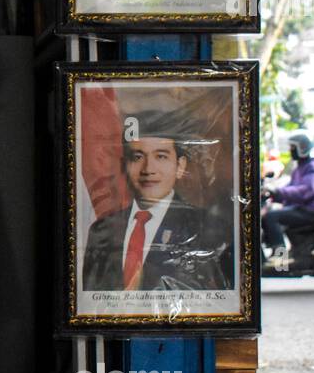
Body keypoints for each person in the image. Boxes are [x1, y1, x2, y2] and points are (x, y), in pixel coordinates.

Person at [81, 109, 231, 292]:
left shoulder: (207, 228)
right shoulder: (101, 230)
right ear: (124, 165)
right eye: (137, 157)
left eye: (161, 156)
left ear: (180, 166)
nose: (148, 169)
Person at [263, 130, 314, 259]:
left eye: (293, 148)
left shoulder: (312, 167)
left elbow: (306, 190)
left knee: (271, 217)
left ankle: (280, 257)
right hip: (301, 208)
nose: (290, 151)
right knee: (271, 212)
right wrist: (275, 193)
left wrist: (278, 192)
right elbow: (290, 187)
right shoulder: (300, 167)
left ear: (302, 148)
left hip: (309, 210)